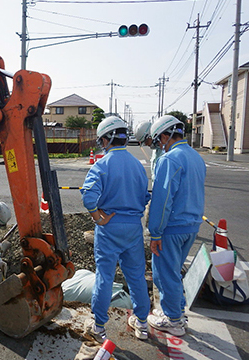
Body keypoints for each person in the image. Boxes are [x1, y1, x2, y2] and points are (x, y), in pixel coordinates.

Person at [80, 116, 151, 342]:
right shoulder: (138, 165)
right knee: (137, 276)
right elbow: (145, 196)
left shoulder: (102, 163)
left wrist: (98, 218)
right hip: (133, 227)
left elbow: (88, 196)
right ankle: (142, 324)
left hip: (109, 227)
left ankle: (99, 327)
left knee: (105, 277)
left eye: (102, 139)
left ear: (108, 139)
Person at [146, 115, 206, 337]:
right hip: (191, 225)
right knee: (174, 272)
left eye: (158, 140)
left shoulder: (169, 159)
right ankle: (178, 309)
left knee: (164, 274)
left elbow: (162, 201)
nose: (159, 145)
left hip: (172, 227)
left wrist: (156, 232)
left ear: (165, 135)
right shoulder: (196, 157)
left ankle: (174, 320)